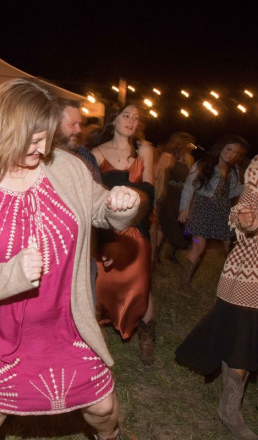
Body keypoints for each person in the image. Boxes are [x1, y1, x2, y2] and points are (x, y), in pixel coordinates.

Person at [0, 78, 141, 440]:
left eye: (46, 136)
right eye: (32, 139)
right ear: (5, 130)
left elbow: (100, 207)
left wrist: (120, 204)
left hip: (67, 325)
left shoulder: (67, 168)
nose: (42, 147)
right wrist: (11, 274)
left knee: (104, 407)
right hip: (4, 333)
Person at [176, 154, 258, 440]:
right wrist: (247, 220)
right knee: (244, 341)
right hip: (253, 269)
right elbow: (240, 211)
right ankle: (230, 410)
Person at [90, 103, 156, 365]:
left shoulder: (144, 150)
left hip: (137, 229)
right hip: (106, 228)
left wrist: (136, 207)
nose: (131, 121)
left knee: (142, 286)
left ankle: (147, 338)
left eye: (135, 118)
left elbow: (150, 192)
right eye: (126, 115)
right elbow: (92, 195)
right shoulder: (95, 153)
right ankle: (94, 340)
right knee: (101, 284)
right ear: (113, 119)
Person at [178, 135, 248, 288]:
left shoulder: (234, 170)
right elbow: (189, 187)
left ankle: (232, 283)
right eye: (228, 149)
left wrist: (251, 186)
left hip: (223, 210)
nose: (231, 154)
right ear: (221, 147)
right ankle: (184, 284)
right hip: (201, 209)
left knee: (230, 246)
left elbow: (234, 191)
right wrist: (184, 208)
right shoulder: (203, 164)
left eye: (235, 152)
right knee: (198, 245)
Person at [153, 132, 195, 265]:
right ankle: (155, 256)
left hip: (181, 197)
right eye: (188, 143)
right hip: (168, 196)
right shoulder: (167, 157)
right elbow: (159, 177)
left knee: (180, 227)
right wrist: (161, 197)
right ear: (180, 143)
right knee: (162, 227)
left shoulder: (188, 159)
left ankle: (170, 253)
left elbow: (190, 180)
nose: (191, 146)